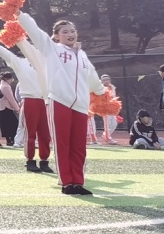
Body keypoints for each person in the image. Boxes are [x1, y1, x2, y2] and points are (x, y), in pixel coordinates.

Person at [17, 12, 106, 195]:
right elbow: (35, 32)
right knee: (62, 143)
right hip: (59, 101)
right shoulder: (51, 48)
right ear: (56, 35)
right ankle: (67, 182)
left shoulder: (82, 55)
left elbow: (92, 77)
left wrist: (102, 93)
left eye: (73, 31)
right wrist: (20, 14)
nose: (70, 34)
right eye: (65, 31)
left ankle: (78, 182)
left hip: (81, 104)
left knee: (79, 146)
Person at [0, 36, 53, 173]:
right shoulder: (20, 62)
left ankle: (44, 161)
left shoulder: (45, 61)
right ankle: (30, 160)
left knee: (45, 134)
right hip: (29, 100)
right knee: (30, 133)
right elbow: (5, 53)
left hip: (46, 101)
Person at [92, 74, 119, 145]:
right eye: (104, 80)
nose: (106, 81)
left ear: (110, 80)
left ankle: (105, 136)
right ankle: (107, 138)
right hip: (104, 108)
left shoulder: (112, 87)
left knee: (114, 123)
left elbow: (114, 98)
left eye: (107, 79)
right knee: (107, 123)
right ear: (101, 81)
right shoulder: (100, 88)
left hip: (112, 108)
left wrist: (116, 109)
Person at [0, 70, 21, 146]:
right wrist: (17, 108)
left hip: (3, 107)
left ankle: (9, 140)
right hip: (6, 107)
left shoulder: (2, 85)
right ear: (8, 79)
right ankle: (11, 139)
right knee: (13, 124)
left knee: (6, 124)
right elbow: (11, 99)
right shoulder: (6, 87)